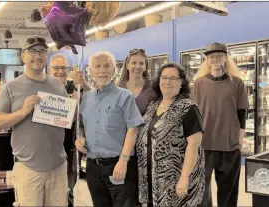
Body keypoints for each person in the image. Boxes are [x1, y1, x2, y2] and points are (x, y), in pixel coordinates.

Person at [0, 35, 69, 206]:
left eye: (42, 51)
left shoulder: (58, 85)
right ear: (23, 56)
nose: (38, 55)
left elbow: (67, 119)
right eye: (32, 51)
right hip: (27, 167)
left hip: (58, 165)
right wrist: (23, 112)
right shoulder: (10, 87)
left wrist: (73, 109)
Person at [75, 51, 145, 207]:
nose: (102, 71)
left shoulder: (125, 96)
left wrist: (123, 161)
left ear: (114, 70)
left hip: (118, 165)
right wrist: (80, 138)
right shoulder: (86, 99)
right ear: (90, 71)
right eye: (97, 66)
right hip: (93, 168)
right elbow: (81, 125)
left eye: (107, 66)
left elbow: (133, 129)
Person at [137, 62, 205, 207]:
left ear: (181, 83)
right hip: (150, 178)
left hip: (175, 180)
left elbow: (194, 145)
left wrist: (184, 177)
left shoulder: (188, 107)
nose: (167, 82)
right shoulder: (153, 106)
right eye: (164, 78)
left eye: (173, 78)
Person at [192, 42, 249, 207]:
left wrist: (240, 139)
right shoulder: (199, 83)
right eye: (211, 56)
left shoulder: (237, 83)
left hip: (229, 145)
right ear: (206, 60)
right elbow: (194, 114)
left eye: (219, 55)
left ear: (226, 58)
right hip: (204, 145)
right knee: (201, 192)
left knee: (228, 193)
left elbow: (242, 112)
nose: (215, 59)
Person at [118, 48, 158, 207]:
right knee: (128, 187)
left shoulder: (154, 87)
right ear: (127, 65)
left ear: (146, 66)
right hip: (124, 143)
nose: (137, 66)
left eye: (141, 63)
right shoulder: (118, 87)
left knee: (148, 185)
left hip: (148, 145)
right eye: (134, 62)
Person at [48, 53, 77, 207]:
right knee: (51, 191)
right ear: (49, 70)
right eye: (56, 68)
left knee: (68, 189)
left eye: (63, 68)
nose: (60, 71)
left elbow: (72, 118)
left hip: (68, 148)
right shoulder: (43, 89)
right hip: (47, 149)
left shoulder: (73, 87)